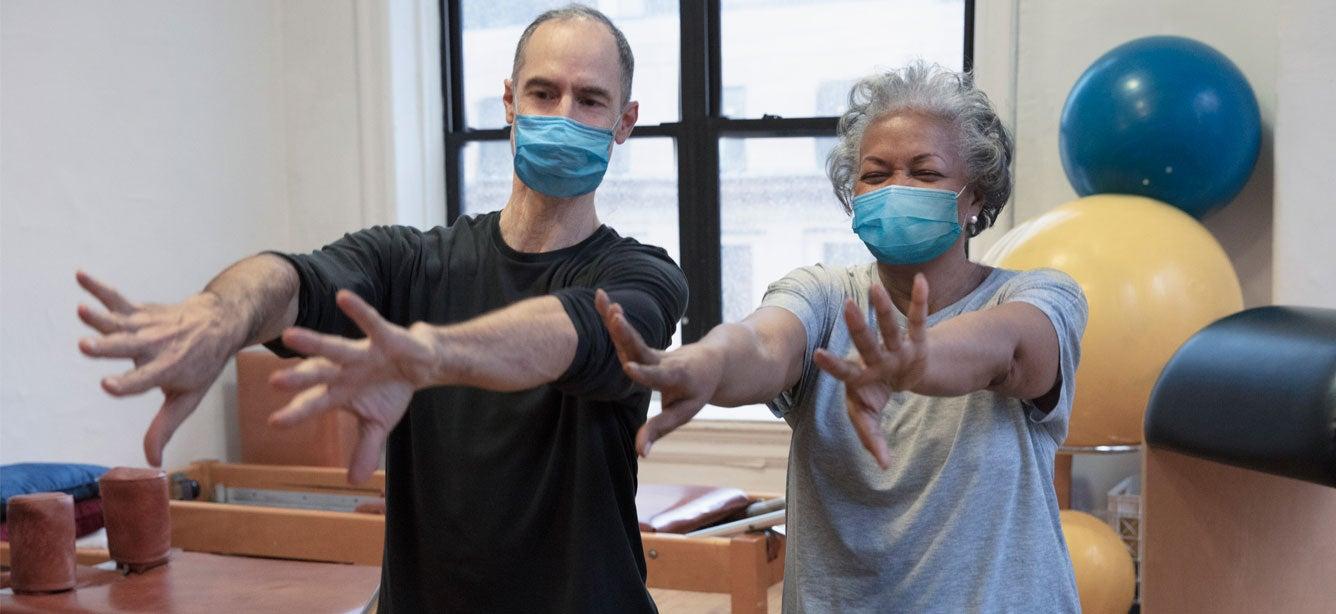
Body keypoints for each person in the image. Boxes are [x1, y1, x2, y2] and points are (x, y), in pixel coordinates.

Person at [76, 5, 686, 612]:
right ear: (509, 102)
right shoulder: (410, 264)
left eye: (590, 101)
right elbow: (296, 280)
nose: (563, 116)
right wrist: (221, 316)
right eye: (543, 92)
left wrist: (432, 352)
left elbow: (581, 330)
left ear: (625, 122)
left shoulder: (645, 277)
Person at [595, 62, 1088, 612]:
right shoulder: (826, 298)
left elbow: (1010, 350)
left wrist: (919, 360)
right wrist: (707, 364)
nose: (896, 189)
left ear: (974, 198)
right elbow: (763, 344)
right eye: (876, 175)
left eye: (925, 173)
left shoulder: (1041, 296)